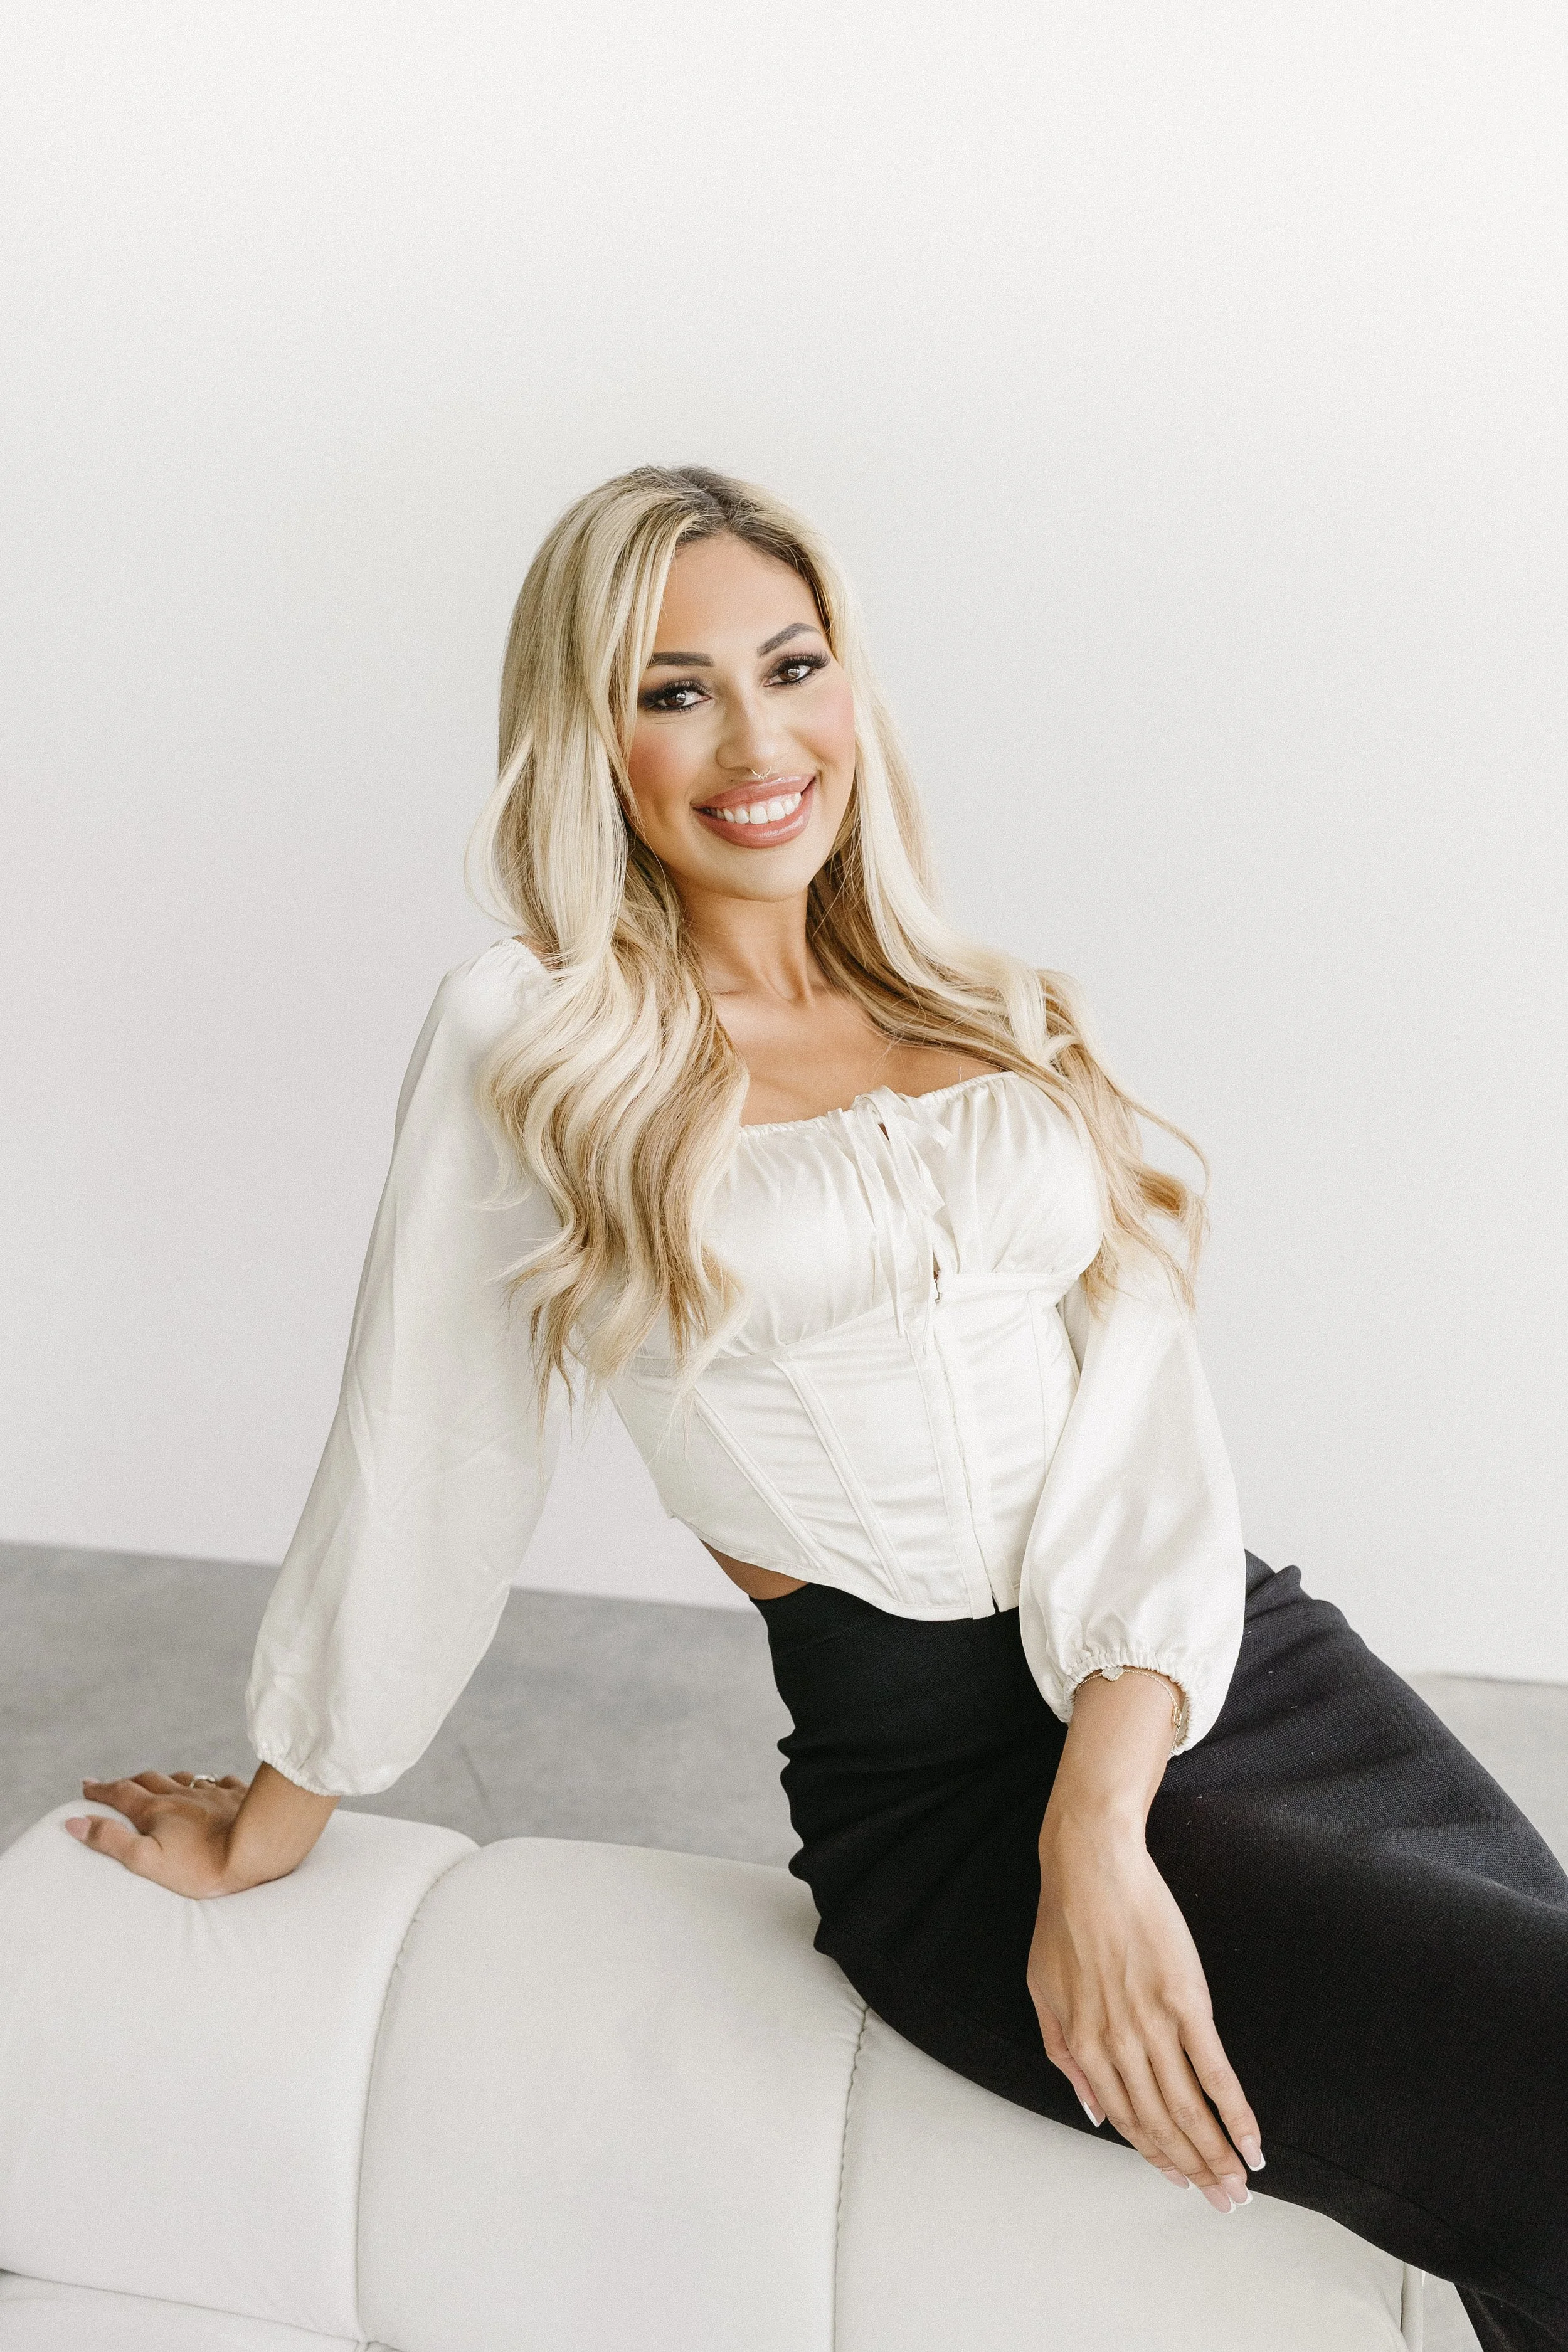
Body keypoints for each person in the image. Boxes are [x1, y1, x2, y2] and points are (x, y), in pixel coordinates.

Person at [69, 466, 1566, 2350]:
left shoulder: (998, 1014)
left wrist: (1102, 1818)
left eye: (792, 663)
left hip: (1224, 1672)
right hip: (941, 1785)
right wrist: (285, 1800)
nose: (754, 738)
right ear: (583, 734)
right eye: (671, 686)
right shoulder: (537, 1043)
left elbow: (1146, 1426)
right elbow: (428, 1448)